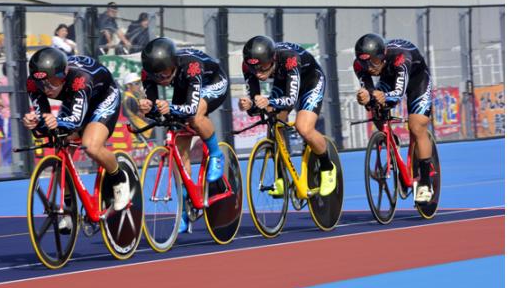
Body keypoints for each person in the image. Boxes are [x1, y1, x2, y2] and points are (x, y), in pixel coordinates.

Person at [22, 47, 129, 234]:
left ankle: (119, 180)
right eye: (42, 84)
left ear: (63, 75)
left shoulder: (80, 79)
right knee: (60, 157)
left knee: (91, 146)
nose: (48, 88)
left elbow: (76, 122)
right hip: (74, 100)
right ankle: (69, 211)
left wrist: (54, 122)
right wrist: (35, 123)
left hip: (102, 98)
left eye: (53, 82)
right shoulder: (32, 84)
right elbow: (45, 118)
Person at [138, 37, 229, 233]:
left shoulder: (191, 66)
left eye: (165, 74)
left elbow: (189, 107)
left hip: (211, 83)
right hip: (183, 86)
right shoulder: (148, 73)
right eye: (157, 77)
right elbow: (155, 109)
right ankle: (187, 206)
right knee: (179, 147)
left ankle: (216, 154)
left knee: (195, 117)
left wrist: (168, 107)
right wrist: (147, 107)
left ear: (174, 64)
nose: (162, 80)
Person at [237, 35, 336, 197]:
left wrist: (267, 100)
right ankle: (281, 177)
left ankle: (327, 167)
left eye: (263, 67)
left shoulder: (290, 59)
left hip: (310, 81)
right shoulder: (249, 65)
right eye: (255, 69)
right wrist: (249, 105)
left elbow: (290, 98)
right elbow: (256, 103)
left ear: (273, 59)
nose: (258, 73)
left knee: (303, 127)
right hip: (283, 82)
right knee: (272, 122)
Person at [353, 33, 434, 203]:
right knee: (374, 105)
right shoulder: (360, 66)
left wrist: (383, 96)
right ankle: (392, 143)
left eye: (373, 62)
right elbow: (369, 92)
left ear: (382, 57)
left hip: (416, 81)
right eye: (364, 63)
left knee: (416, 126)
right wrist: (366, 97)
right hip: (389, 78)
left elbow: (398, 93)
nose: (369, 68)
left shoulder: (400, 58)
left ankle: (425, 183)